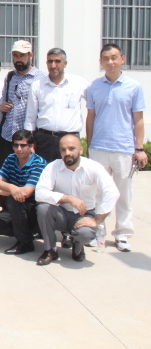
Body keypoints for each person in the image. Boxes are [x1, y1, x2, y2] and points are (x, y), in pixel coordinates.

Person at [86, 43, 147, 252]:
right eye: (106, 58)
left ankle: (122, 234)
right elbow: (91, 117)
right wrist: (89, 145)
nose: (110, 62)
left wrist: (139, 148)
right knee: (97, 194)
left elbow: (138, 120)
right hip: (99, 148)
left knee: (123, 194)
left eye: (114, 57)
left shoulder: (134, 87)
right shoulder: (94, 87)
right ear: (100, 62)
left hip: (124, 149)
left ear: (123, 59)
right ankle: (97, 232)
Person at [35, 134, 120, 265]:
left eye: (71, 149)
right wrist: (68, 198)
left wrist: (97, 219)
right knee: (43, 208)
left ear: (81, 150)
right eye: (63, 150)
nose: (67, 153)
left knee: (85, 234)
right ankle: (50, 249)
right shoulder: (53, 167)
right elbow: (39, 193)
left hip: (84, 215)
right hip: (61, 214)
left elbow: (112, 192)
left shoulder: (93, 167)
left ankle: (78, 246)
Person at [0, 130, 47, 255]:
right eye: (16, 145)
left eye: (23, 145)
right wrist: (12, 188)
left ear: (31, 146)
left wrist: (0, 191)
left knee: (15, 199)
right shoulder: (11, 158)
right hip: (17, 209)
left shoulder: (39, 163)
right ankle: (26, 232)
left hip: (34, 210)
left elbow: (26, 192)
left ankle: (25, 242)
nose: (19, 149)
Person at [24, 48, 88, 163]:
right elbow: (30, 118)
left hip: (70, 140)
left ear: (65, 63)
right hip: (45, 140)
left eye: (58, 61)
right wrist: (30, 143)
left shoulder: (78, 83)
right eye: (50, 61)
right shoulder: (37, 86)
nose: (53, 65)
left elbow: (95, 104)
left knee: (70, 172)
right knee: (44, 171)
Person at [0, 40, 44, 157]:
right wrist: (2, 105)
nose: (18, 59)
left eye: (22, 55)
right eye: (15, 55)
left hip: (29, 138)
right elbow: (3, 98)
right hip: (8, 135)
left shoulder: (41, 78)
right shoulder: (10, 76)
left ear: (31, 55)